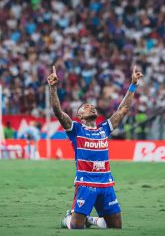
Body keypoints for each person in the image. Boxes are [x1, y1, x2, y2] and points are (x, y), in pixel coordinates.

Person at [48, 65, 144, 229]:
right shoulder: (76, 129)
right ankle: (68, 219)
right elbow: (57, 111)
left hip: (106, 184)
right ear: (80, 116)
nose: (91, 107)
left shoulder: (104, 129)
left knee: (116, 226)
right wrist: (53, 88)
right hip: (86, 185)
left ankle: (91, 220)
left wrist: (133, 84)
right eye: (85, 107)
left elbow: (123, 109)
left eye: (92, 106)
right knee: (76, 226)